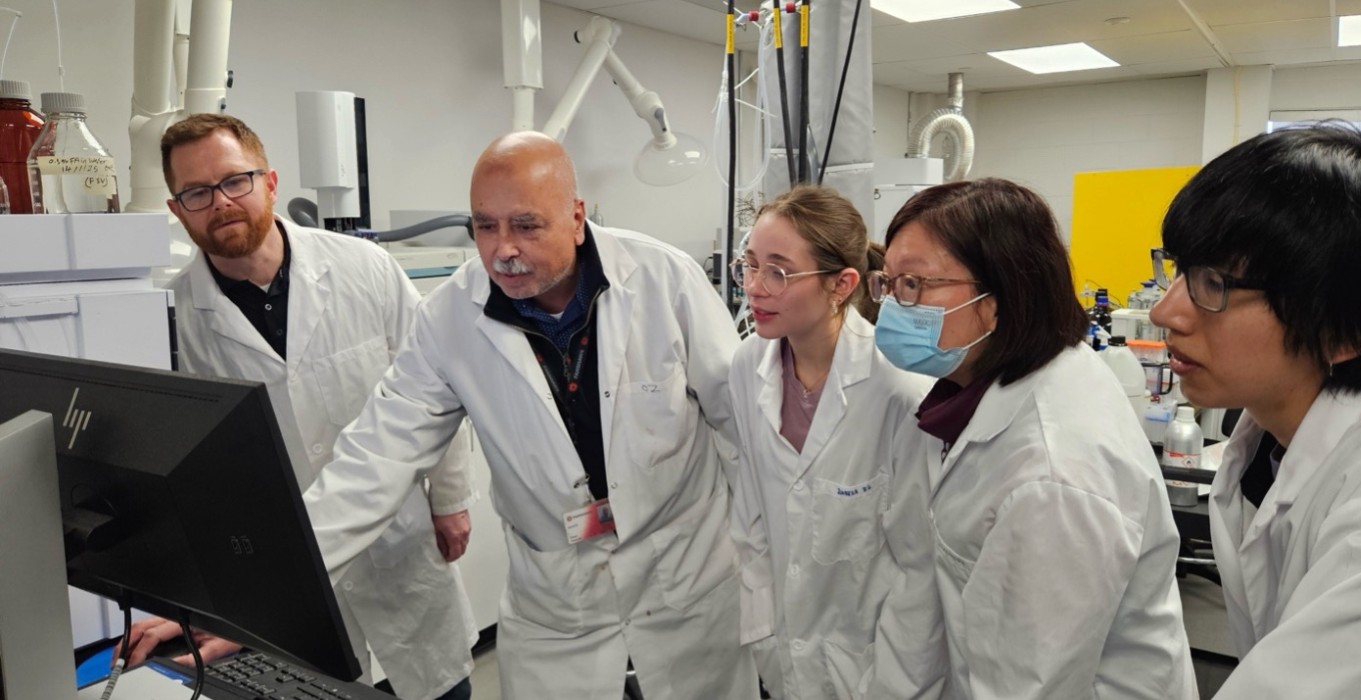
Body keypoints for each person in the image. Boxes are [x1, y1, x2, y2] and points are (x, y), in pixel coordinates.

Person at [303, 131, 757, 699]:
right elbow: (375, 456)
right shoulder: (448, 319)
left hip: (688, 583)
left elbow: (743, 425)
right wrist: (269, 592)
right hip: (559, 604)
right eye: (484, 226)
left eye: (525, 225)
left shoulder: (664, 280)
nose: (502, 250)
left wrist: (769, 564)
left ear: (575, 216)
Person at [125, 113, 478, 700]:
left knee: (438, 691)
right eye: (196, 192)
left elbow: (438, 386)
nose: (221, 202)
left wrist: (450, 499)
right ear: (175, 207)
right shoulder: (176, 317)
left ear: (270, 181)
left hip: (398, 542)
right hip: (285, 564)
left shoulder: (364, 268)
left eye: (236, 181)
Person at [874, 178, 1196, 698]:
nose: (893, 305)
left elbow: (1029, 684)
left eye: (914, 284)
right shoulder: (981, 390)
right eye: (888, 283)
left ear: (999, 297)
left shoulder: (1052, 470)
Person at [1148, 123, 1361, 697]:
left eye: (1213, 282)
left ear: (1343, 329)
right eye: (1180, 268)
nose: (1166, 312)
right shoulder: (1265, 437)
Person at [727, 185, 942, 698]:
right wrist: (763, 634)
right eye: (749, 265)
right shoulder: (746, 364)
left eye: (778, 271)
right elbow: (753, 517)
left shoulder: (899, 387)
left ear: (841, 284)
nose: (754, 288)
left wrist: (895, 682)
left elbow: (920, 565)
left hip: (874, 663)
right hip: (782, 654)